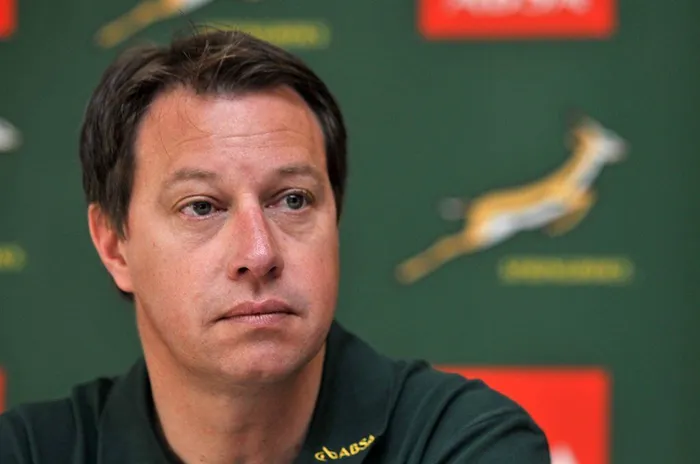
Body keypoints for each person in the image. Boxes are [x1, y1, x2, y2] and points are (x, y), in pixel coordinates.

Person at [0, 29, 550, 463]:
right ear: (115, 246)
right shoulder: (26, 452)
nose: (259, 254)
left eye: (292, 200)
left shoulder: (463, 441)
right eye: (202, 207)